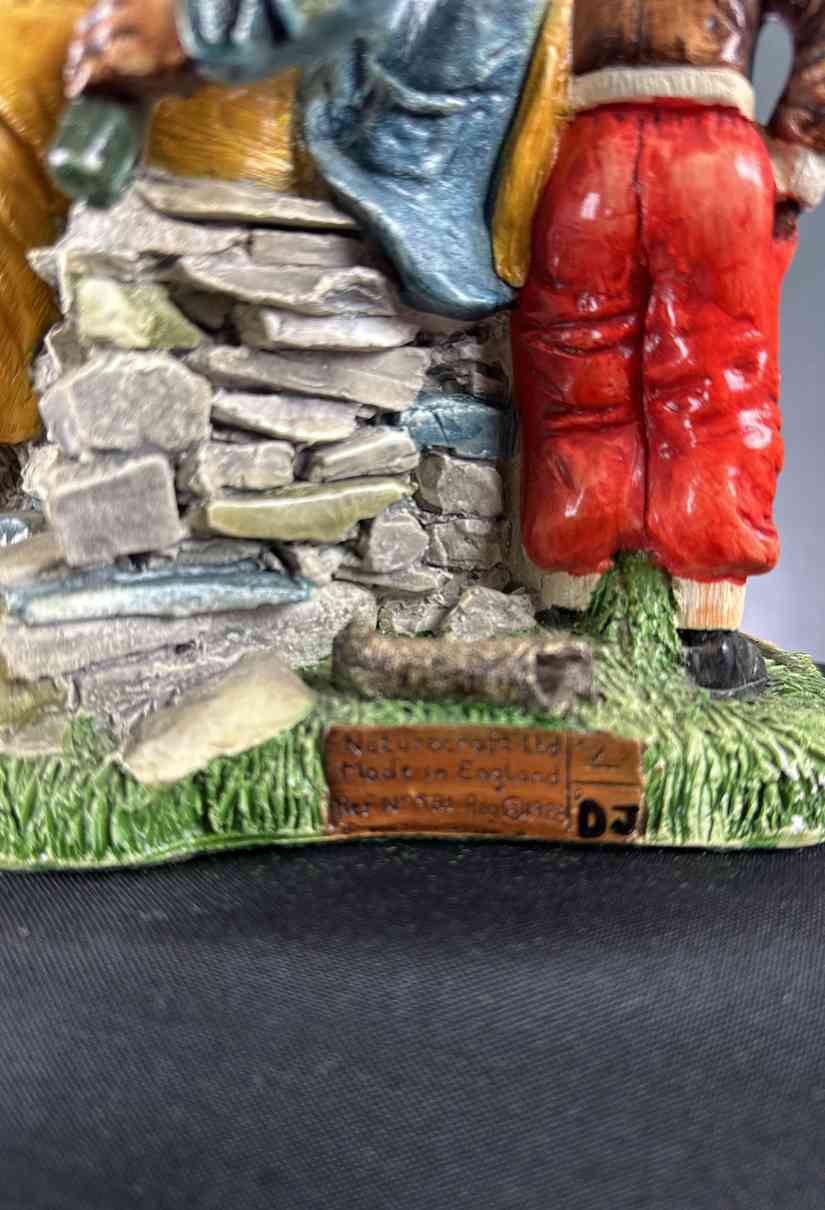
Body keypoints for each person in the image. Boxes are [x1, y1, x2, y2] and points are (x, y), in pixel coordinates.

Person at [62, 0, 825, 694]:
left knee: (637, 371)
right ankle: (605, 593)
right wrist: (798, 144)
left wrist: (800, 143)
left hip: (640, 147)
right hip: (615, 150)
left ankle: (680, 602)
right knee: (632, 371)